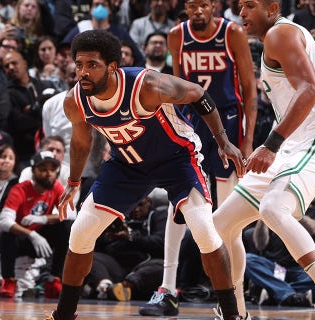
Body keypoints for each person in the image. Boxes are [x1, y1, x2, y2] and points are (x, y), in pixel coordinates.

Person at [46, 29, 247, 320]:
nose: (83, 72)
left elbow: (199, 94)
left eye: (92, 65)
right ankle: (64, 314)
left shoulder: (148, 85)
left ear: (112, 68)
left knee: (203, 230)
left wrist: (223, 141)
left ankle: (232, 315)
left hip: (177, 160)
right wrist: (74, 182)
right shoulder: (75, 100)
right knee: (80, 233)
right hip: (127, 166)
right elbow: (80, 141)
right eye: (79, 65)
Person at [211, 0, 315, 318]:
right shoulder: (289, 37)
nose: (241, 13)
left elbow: (310, 91)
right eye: (239, 6)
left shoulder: (280, 34)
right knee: (220, 227)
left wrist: (270, 145)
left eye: (250, 6)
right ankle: (234, 311)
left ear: (272, 8)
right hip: (300, 145)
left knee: (273, 209)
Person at [139, 0, 257, 316]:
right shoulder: (177, 35)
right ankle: (167, 290)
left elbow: (250, 90)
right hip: (192, 123)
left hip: (228, 124)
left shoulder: (231, 32)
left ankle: (233, 299)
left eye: (203, 4)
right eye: (192, 5)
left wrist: (246, 143)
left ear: (214, 6)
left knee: (228, 221)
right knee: (179, 205)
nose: (198, 11)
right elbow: (178, 90)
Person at [0, 150, 69, 298]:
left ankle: (54, 278)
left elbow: (69, 213)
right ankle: (9, 280)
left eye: (52, 170)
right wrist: (31, 234)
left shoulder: (55, 187)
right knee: (5, 234)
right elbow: (4, 222)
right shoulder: (20, 189)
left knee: (67, 226)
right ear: (33, 171)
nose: (48, 174)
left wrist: (44, 219)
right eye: (43, 169)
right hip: (19, 241)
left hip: (40, 242)